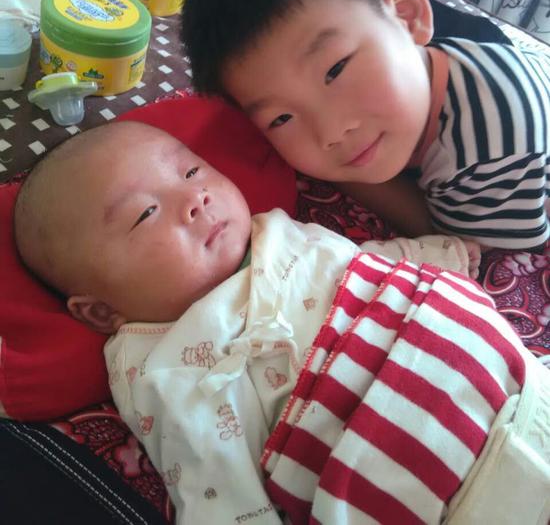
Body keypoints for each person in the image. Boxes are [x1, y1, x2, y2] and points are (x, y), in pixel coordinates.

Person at [13, 121, 550, 525]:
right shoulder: (163, 361)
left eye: (192, 170)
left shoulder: (274, 229)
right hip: (443, 484)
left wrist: (431, 255)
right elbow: (212, 477)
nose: (195, 198)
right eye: (144, 214)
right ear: (101, 311)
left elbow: (352, 263)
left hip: (516, 378)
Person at [181, 0, 550, 251]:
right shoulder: (407, 68)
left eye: (335, 69)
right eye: (281, 118)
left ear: (406, 14)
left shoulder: (493, 153)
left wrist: (346, 176)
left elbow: (453, 242)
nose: (330, 132)